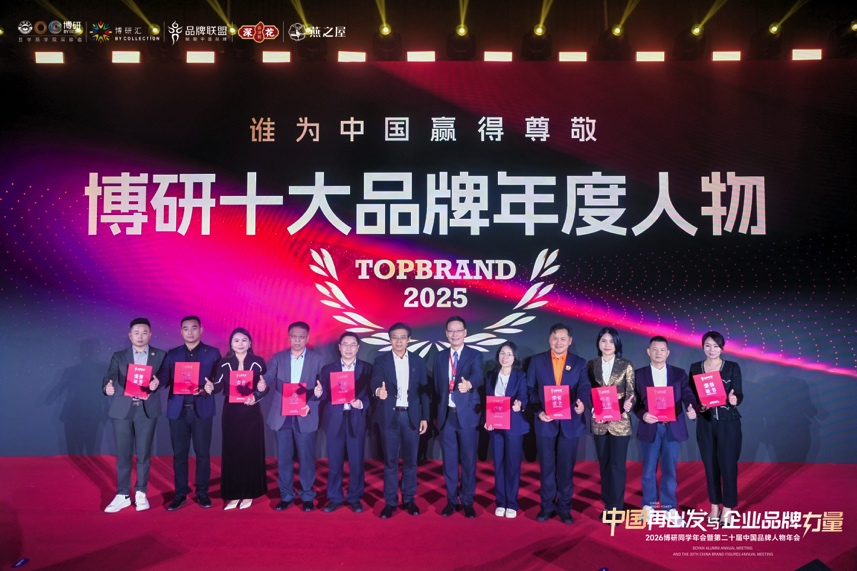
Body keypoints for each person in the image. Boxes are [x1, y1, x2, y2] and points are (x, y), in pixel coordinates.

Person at [526, 323, 591, 524]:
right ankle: (546, 506)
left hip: (570, 422)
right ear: (549, 339)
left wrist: (582, 403)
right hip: (546, 421)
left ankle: (564, 506)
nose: (558, 342)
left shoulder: (580, 363)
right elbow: (530, 389)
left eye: (563, 338)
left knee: (566, 468)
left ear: (570, 341)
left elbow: (584, 387)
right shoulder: (537, 361)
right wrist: (539, 411)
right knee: (546, 467)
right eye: (555, 338)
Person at [157, 316, 222, 510]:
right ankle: (180, 494)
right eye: (186, 328)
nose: (190, 332)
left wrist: (212, 387)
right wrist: (157, 382)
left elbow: (220, 379)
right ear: (181, 331)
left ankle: (202, 492)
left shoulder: (212, 353)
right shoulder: (173, 354)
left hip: (202, 409)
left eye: (194, 328)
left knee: (203, 454)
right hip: (178, 411)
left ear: (201, 330)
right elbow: (164, 375)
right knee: (179, 454)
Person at [102, 318, 166, 513]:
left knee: (144, 454)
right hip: (123, 409)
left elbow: (165, 377)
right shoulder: (119, 356)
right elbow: (110, 375)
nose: (140, 336)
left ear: (150, 334)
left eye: (144, 332)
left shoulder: (160, 355)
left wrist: (158, 383)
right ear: (130, 335)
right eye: (136, 333)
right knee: (123, 454)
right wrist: (107, 387)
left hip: (146, 409)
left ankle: (140, 492)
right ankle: (122, 494)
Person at [633, 336, 697, 526]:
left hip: (672, 428)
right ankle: (649, 505)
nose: (658, 353)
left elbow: (687, 394)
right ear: (648, 352)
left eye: (662, 349)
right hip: (650, 426)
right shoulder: (639, 374)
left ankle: (669, 508)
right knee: (648, 470)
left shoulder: (679, 373)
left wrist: (691, 406)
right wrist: (642, 414)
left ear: (668, 353)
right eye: (655, 349)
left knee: (670, 470)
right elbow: (633, 399)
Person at [264, 321, 324, 512]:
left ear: (307, 338)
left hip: (305, 413)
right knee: (284, 458)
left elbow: (322, 387)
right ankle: (287, 495)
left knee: (306, 458)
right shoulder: (279, 357)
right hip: (282, 415)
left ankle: (307, 495)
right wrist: (261, 383)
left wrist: (317, 395)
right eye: (294, 336)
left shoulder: (317, 359)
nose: (297, 340)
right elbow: (269, 376)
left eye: (301, 337)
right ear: (289, 337)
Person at [371, 323, 429, 519]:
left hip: (411, 416)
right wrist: (378, 391)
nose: (398, 341)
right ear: (390, 339)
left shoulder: (417, 361)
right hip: (390, 416)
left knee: (411, 462)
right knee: (390, 462)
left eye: (402, 337)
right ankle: (390, 502)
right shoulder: (381, 361)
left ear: (409, 339)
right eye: (395, 337)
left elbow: (423, 392)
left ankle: (409, 499)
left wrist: (424, 417)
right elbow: (375, 381)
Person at [688, 331, 743, 526]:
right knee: (710, 465)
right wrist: (695, 408)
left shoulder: (732, 367)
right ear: (703, 347)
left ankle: (727, 508)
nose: (712, 349)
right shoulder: (695, 368)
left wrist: (735, 399)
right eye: (708, 345)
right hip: (706, 423)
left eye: (716, 346)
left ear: (722, 348)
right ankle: (714, 506)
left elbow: (739, 394)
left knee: (728, 466)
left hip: (728, 423)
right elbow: (691, 395)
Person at [433, 316, 484, 519]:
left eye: (458, 330)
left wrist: (469, 384)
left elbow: (479, 375)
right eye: (451, 331)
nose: (454, 334)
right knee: (449, 462)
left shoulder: (474, 355)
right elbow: (437, 386)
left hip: (468, 416)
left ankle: (468, 501)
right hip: (447, 416)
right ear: (446, 334)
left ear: (465, 333)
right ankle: (452, 501)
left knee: (469, 461)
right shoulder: (439, 357)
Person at [214, 328, 268, 510]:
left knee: (250, 451)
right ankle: (234, 493)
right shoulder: (224, 363)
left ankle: (250, 492)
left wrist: (259, 392)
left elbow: (264, 387)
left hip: (251, 411)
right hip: (231, 412)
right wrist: (208, 387)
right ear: (231, 343)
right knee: (233, 452)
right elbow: (217, 386)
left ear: (250, 342)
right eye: (236, 340)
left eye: (244, 340)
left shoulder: (258, 362)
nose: (240, 344)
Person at [320, 332, 372, 513]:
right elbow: (324, 395)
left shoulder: (367, 369)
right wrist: (319, 393)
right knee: (335, 463)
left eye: (352, 345)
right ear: (339, 347)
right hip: (335, 419)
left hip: (356, 418)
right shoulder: (328, 369)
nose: (348, 348)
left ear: (358, 348)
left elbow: (372, 396)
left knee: (356, 463)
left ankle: (354, 497)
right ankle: (334, 497)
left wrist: (362, 403)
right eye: (345, 344)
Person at [587, 327, 636, 522]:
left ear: (617, 344)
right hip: (599, 421)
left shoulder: (626, 365)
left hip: (620, 422)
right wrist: (592, 408)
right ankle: (608, 503)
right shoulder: (592, 364)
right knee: (604, 465)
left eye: (610, 341)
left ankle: (616, 509)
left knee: (617, 466)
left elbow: (631, 392)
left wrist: (629, 404)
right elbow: (588, 390)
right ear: (598, 343)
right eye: (603, 341)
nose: (607, 345)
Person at [484, 341, 528, 519]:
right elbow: (488, 400)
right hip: (496, 426)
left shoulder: (520, 376)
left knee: (512, 465)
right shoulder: (491, 375)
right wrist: (487, 420)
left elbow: (523, 396)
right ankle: (500, 502)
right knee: (499, 464)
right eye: (502, 353)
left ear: (515, 357)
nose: (505, 357)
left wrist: (520, 404)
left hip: (514, 425)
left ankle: (512, 503)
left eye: (509, 354)